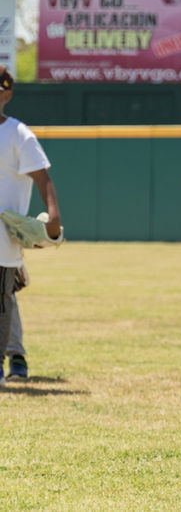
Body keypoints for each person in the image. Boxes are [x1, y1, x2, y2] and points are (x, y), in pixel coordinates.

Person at [0, 65, 62, 387]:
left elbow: (42, 174)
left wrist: (52, 216)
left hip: (4, 232)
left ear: (6, 94)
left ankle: (13, 356)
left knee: (4, 297)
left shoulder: (18, 134)